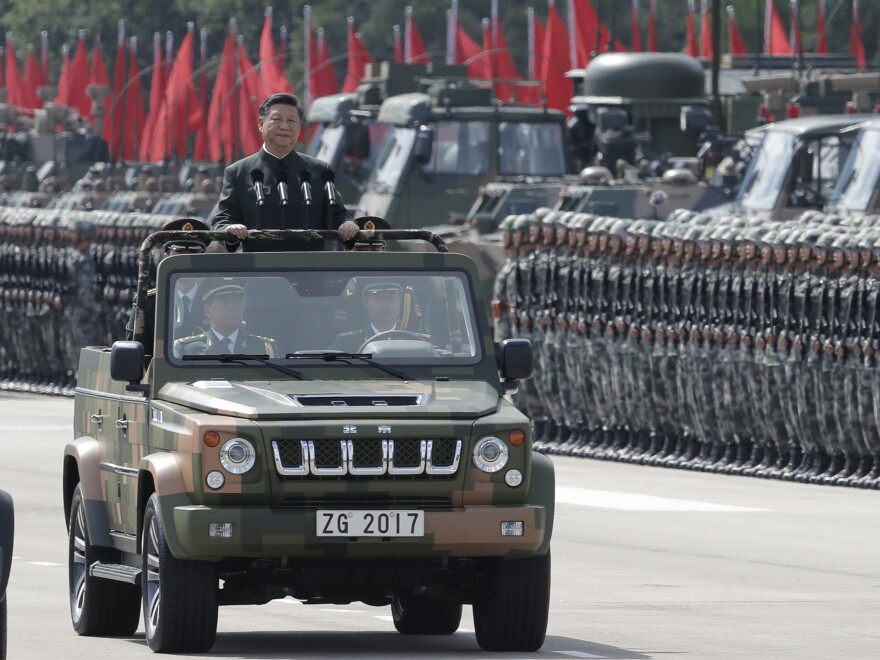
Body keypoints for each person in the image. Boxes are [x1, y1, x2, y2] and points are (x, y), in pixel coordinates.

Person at [209, 92, 359, 249]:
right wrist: (230, 229)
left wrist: (347, 224)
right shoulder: (238, 172)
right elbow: (222, 219)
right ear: (261, 123)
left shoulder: (319, 170)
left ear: (299, 128)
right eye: (276, 119)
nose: (285, 126)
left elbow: (339, 214)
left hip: (311, 269)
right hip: (257, 269)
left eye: (292, 121)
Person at [174, 280, 276, 357]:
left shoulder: (262, 348)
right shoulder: (187, 349)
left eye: (237, 302)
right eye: (224, 302)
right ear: (208, 310)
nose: (232, 308)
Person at [332, 281, 427, 353]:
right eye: (377, 298)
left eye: (391, 298)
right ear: (365, 302)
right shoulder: (346, 345)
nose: (384, 304)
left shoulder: (416, 343)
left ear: (400, 301)